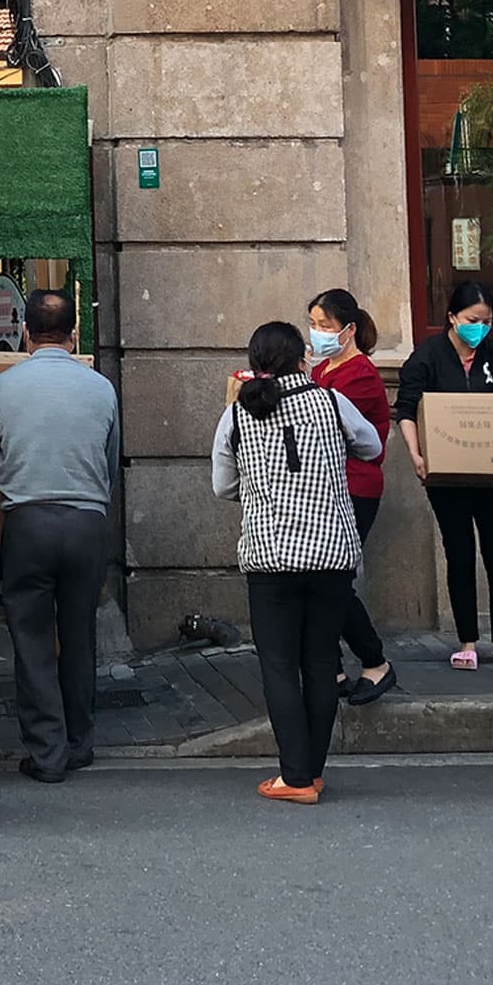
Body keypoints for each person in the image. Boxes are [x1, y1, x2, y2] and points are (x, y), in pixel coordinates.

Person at [212, 322, 385, 805]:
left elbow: (221, 486)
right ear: (302, 359)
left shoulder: (237, 415)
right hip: (331, 553)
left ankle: (295, 776)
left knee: (279, 665)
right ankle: (311, 770)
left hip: (270, 558)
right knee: (322, 660)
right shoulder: (331, 402)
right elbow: (371, 446)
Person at [0, 289, 119, 784]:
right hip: (87, 523)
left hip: (28, 523)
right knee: (79, 634)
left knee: (32, 638)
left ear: (28, 335)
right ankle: (80, 743)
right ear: (74, 333)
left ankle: (47, 751)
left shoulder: (1, 389)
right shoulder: (101, 389)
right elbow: (110, 464)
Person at [395, 282, 493, 673]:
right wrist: (416, 454)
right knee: (459, 553)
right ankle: (467, 641)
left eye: (487, 321)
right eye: (473, 321)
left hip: (492, 474)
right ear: (452, 318)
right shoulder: (427, 356)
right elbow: (406, 409)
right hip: (447, 478)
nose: (480, 328)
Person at [306, 289, 397, 707]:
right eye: (314, 325)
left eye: (325, 326)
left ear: (349, 330)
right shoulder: (322, 369)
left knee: (334, 581)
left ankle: (375, 661)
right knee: (319, 580)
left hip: (354, 486)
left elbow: (323, 421)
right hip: (327, 486)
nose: (319, 333)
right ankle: (332, 665)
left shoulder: (358, 375)